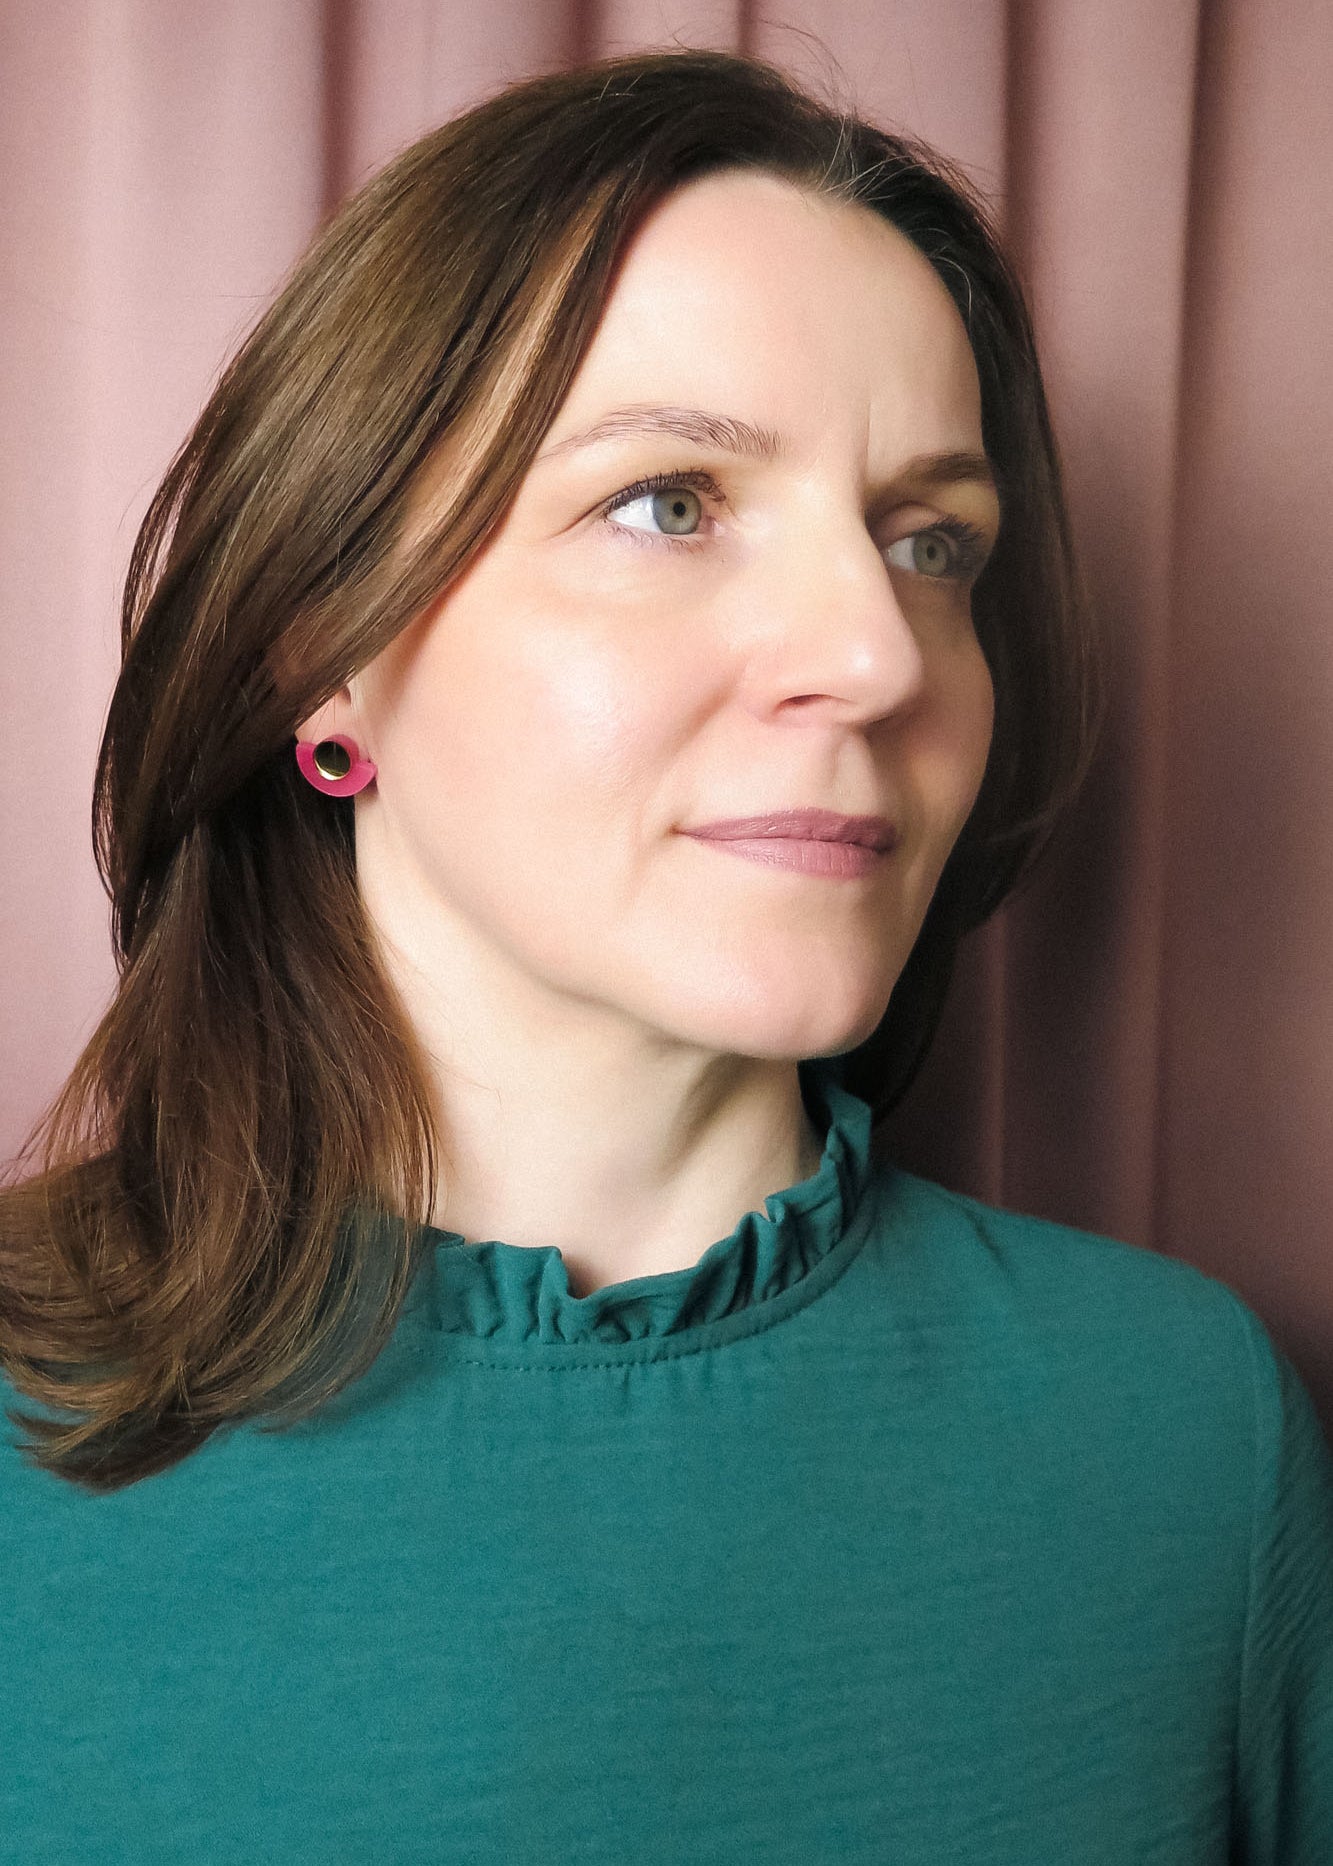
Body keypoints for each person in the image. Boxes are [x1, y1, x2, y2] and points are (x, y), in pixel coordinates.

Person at [1, 44, 1329, 1865]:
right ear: (327, 641)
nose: (877, 654)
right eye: (670, 504)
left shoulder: (1187, 1440)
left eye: (929, 541)